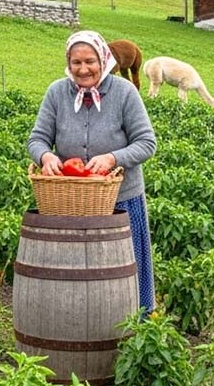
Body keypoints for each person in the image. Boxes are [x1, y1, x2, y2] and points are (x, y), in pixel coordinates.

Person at [28, 31, 158, 312]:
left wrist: (113, 157)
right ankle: (77, 325)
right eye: (76, 62)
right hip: (70, 202)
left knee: (126, 270)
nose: (83, 69)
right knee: (76, 277)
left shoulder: (125, 93)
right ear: (68, 63)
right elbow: (37, 138)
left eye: (90, 61)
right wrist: (46, 155)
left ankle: (139, 323)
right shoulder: (57, 92)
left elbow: (147, 143)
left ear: (104, 60)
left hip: (121, 201)